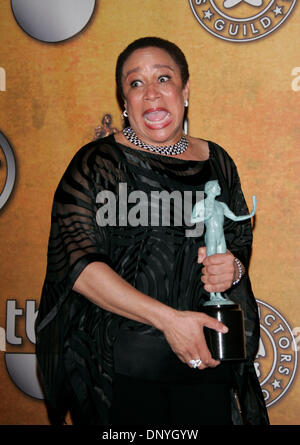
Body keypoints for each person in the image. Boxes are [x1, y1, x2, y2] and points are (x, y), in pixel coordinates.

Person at [35, 36, 269, 426]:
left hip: (207, 360)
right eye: (136, 83)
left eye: (163, 78)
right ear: (124, 101)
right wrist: (169, 321)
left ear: (185, 90)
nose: (152, 95)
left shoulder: (218, 161)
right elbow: (77, 264)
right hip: (122, 373)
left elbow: (238, 244)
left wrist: (233, 269)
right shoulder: (98, 164)